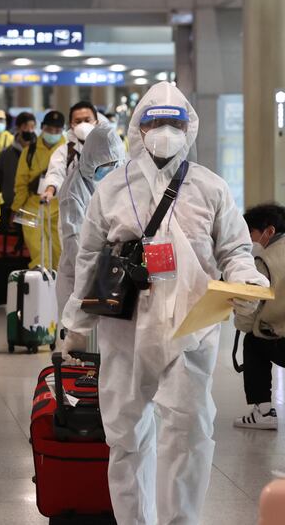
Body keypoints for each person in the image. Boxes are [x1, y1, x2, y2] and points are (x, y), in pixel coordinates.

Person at [60, 81, 267, 525]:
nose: (165, 130)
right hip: (125, 323)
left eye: (174, 122)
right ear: (139, 126)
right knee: (125, 432)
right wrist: (75, 322)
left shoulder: (209, 187)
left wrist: (245, 281)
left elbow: (234, 248)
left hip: (190, 325)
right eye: (156, 121)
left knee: (188, 431)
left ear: (188, 127)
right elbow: (90, 256)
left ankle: (180, 521)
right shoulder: (113, 187)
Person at [55, 124, 125, 313]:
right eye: (104, 165)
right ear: (91, 159)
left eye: (114, 164)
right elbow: (73, 238)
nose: (110, 169)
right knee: (78, 336)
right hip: (79, 274)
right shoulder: (74, 189)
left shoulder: (117, 181)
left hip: (111, 269)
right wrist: (92, 275)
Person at [233, 203, 285, 430]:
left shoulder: (263, 261)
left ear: (269, 231)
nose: (250, 239)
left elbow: (248, 312)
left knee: (253, 341)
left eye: (251, 232)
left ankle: (263, 412)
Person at [11, 110, 66, 268]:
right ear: (42, 128)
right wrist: (16, 208)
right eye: (49, 129)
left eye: (57, 131)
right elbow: (21, 183)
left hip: (59, 208)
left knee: (60, 256)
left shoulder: (69, 150)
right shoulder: (30, 150)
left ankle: (59, 291)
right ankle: (41, 289)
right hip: (32, 208)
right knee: (40, 257)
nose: (53, 133)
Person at [40, 101, 99, 203]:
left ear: (96, 122)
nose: (83, 125)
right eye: (78, 121)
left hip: (102, 211)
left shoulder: (108, 150)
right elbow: (55, 173)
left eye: (87, 120)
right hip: (72, 211)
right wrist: (50, 190)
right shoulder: (65, 151)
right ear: (72, 125)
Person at [0, 111, 36, 232]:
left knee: (31, 240)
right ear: (18, 128)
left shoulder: (38, 152)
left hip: (33, 205)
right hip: (10, 204)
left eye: (32, 127)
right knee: (11, 237)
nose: (30, 130)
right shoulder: (6, 154)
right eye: (26, 127)